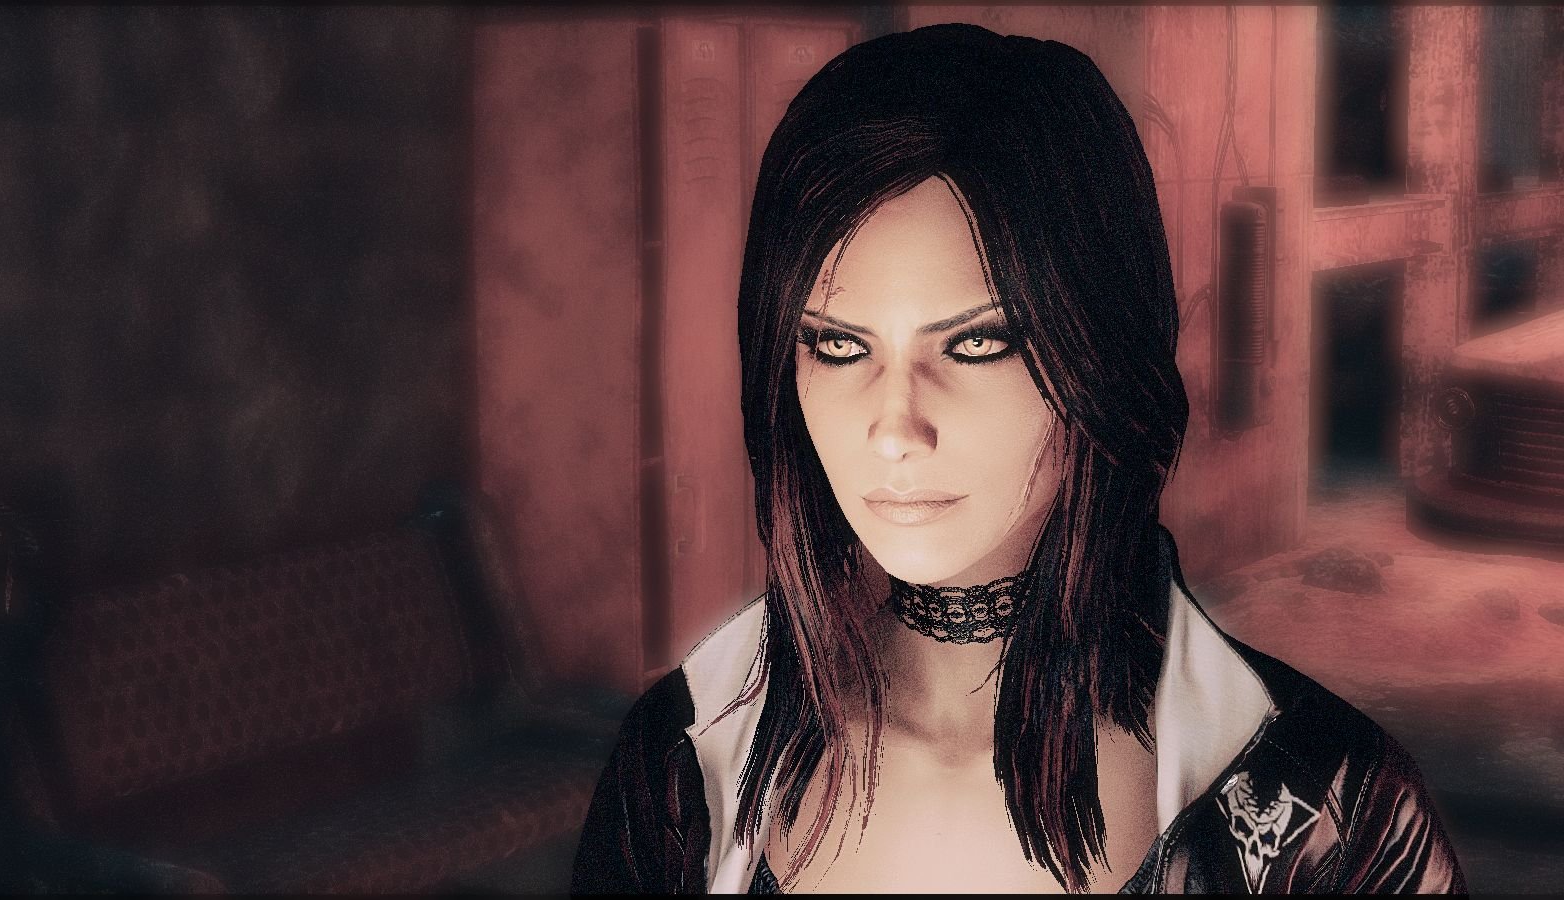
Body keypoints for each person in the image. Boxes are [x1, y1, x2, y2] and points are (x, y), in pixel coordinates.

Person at [572, 23, 1466, 894]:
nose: (895, 428)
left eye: (976, 345)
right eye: (839, 346)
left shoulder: (1331, 808)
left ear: (1099, 352)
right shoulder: (680, 768)